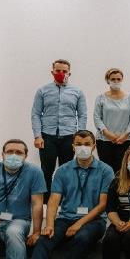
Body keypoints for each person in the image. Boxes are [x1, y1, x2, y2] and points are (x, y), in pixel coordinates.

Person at [20, 130, 114, 259]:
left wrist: (79, 224)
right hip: (65, 218)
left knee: (83, 237)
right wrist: (49, 224)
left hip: (94, 220)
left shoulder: (106, 170)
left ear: (94, 146)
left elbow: (102, 205)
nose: (83, 147)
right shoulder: (62, 170)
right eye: (78, 144)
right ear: (73, 146)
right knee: (43, 242)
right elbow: (54, 200)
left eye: (87, 144)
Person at [30, 59, 87, 191]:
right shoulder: (42, 91)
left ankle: (64, 199)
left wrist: (80, 137)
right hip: (47, 136)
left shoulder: (77, 92)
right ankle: (47, 200)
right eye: (58, 70)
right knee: (46, 171)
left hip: (69, 136)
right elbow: (36, 114)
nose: (61, 73)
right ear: (52, 72)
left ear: (69, 73)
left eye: (64, 71)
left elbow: (82, 115)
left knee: (67, 171)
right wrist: (37, 136)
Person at [93, 68, 130, 173]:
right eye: (113, 79)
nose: (116, 81)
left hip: (124, 140)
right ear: (108, 80)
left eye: (118, 79)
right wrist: (108, 134)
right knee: (106, 170)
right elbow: (97, 117)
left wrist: (126, 134)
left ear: (122, 80)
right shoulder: (100, 97)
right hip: (104, 140)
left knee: (121, 171)